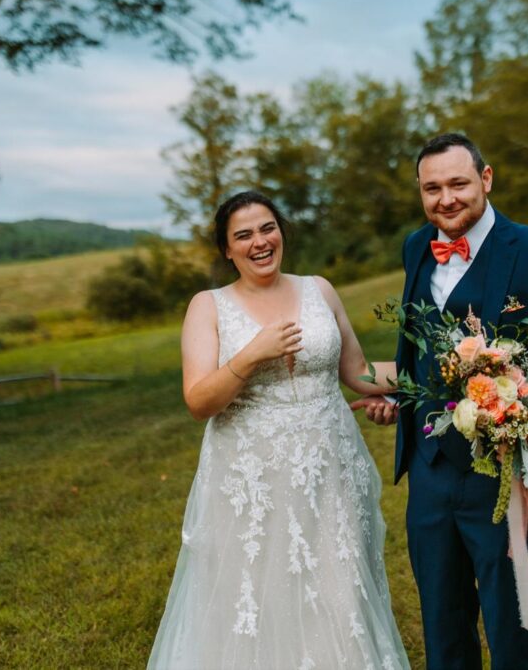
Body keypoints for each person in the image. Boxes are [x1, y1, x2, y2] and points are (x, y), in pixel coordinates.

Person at [354, 133, 528, 669]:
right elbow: (422, 350)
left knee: (513, 620)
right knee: (442, 619)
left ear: (486, 179)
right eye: (432, 188)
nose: (446, 199)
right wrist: (401, 396)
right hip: (429, 468)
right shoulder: (416, 247)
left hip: (508, 469)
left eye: (458, 184)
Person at [148, 190, 409, 670]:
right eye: (243, 235)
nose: (260, 242)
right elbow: (199, 402)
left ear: (281, 232)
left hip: (331, 470)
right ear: (227, 250)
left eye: (268, 228)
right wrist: (252, 354)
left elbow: (358, 372)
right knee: (260, 596)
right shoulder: (208, 306)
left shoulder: (319, 290)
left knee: (340, 589)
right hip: (254, 482)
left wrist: (444, 371)